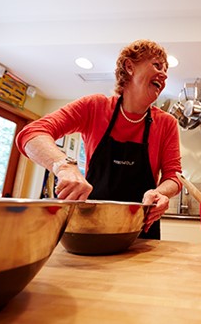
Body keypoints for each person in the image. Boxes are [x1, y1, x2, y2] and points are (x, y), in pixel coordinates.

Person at [16, 39, 182, 240]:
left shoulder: (166, 123)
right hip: (91, 226)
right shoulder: (94, 107)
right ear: (129, 67)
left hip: (141, 230)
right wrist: (64, 166)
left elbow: (173, 176)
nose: (164, 75)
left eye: (166, 70)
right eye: (157, 65)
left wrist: (161, 193)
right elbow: (31, 133)